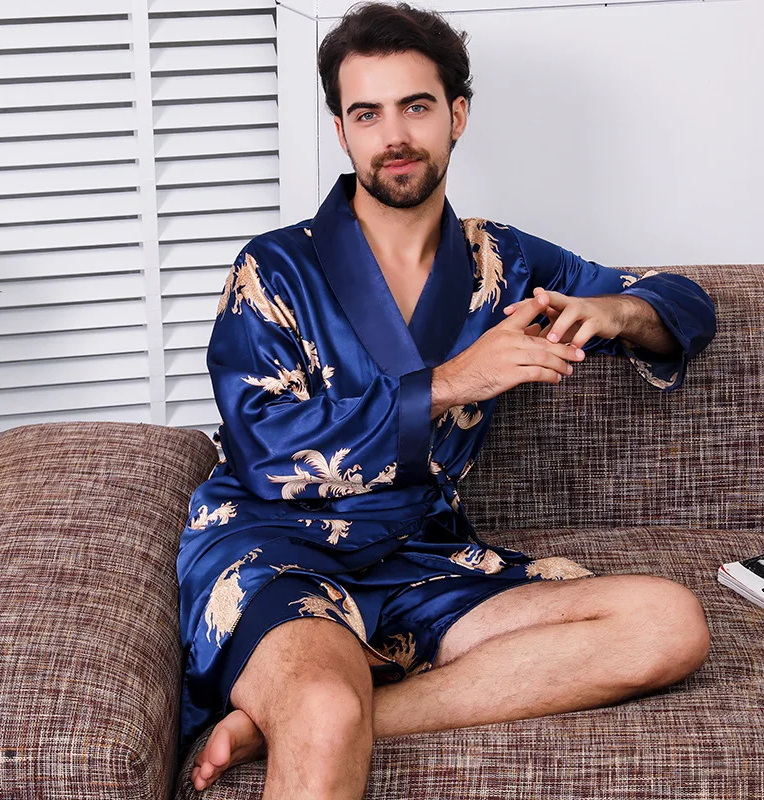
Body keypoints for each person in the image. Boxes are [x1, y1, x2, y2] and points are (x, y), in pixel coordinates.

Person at [177, 2, 717, 796]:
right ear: (342, 131)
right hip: (276, 551)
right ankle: (316, 708)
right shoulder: (273, 270)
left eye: (416, 106)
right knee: (323, 705)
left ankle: (300, 717)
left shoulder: (504, 260)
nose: (394, 135)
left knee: (668, 622)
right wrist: (454, 380)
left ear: (457, 115)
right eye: (368, 114)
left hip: (422, 559)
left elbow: (685, 302)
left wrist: (616, 311)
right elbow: (265, 451)